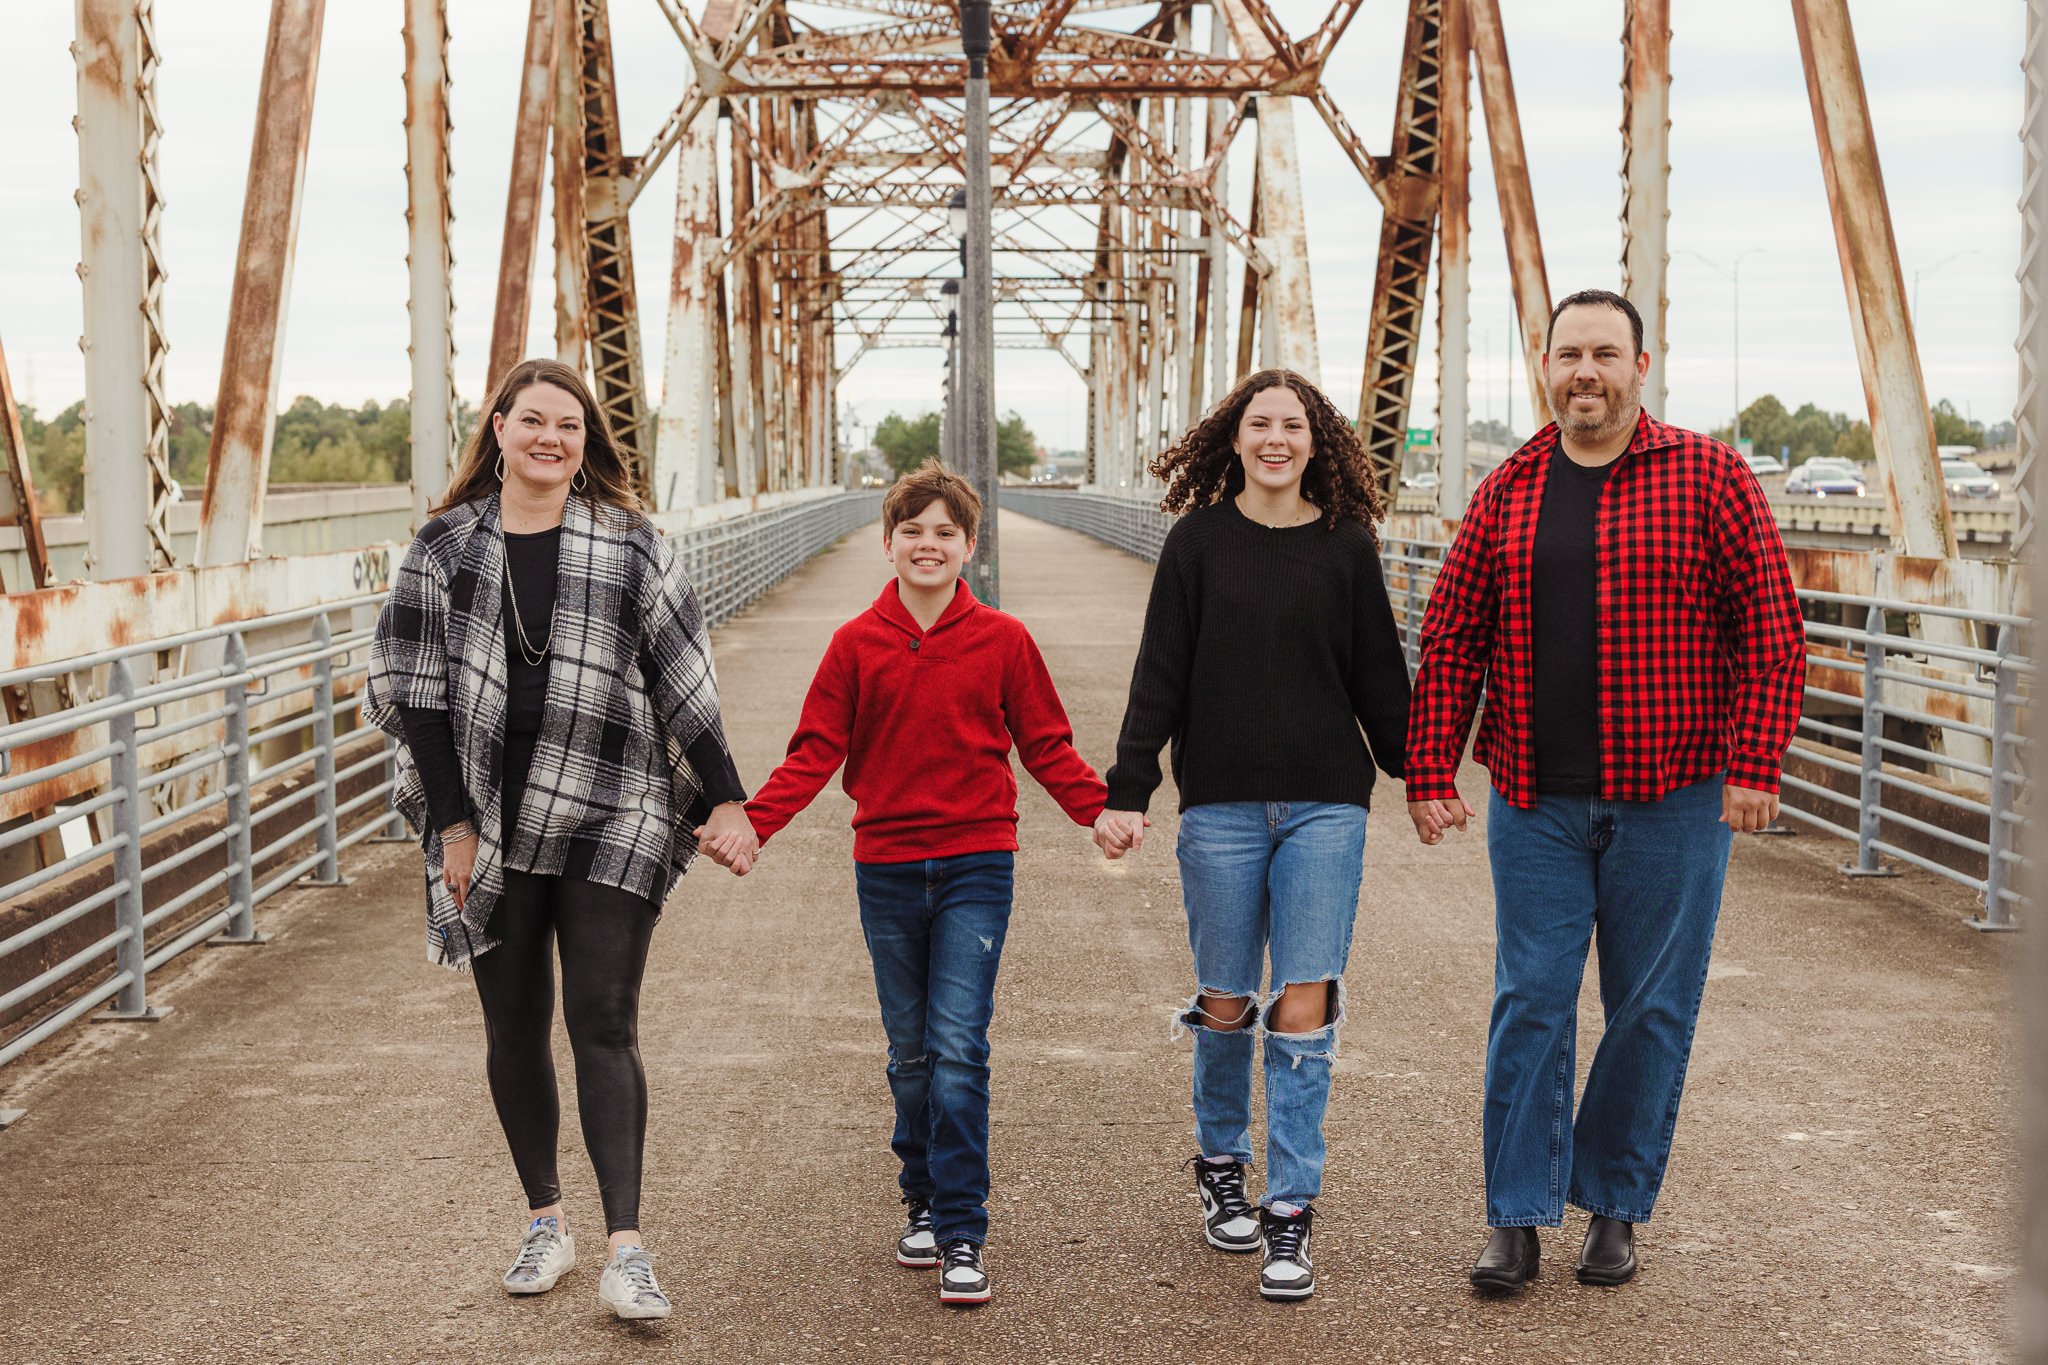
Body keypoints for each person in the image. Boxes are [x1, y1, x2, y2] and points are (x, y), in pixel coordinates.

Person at [1403, 289, 1805, 1293]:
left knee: (1647, 1009)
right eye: (1566, 353)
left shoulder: (1708, 476)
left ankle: (1613, 1208)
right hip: (1535, 799)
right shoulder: (1508, 489)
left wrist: (1755, 764)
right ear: (1544, 365)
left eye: (1603, 353)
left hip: (1672, 794)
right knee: (1528, 1003)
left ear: (1639, 364)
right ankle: (1515, 1217)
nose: (1584, 371)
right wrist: (1428, 767)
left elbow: (1771, 631)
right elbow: (1451, 636)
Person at [366, 358, 758, 1321]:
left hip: (612, 801)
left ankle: (628, 1245)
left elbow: (683, 680)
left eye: (570, 426)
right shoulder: (444, 547)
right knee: (513, 1025)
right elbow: (414, 692)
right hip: (487, 816)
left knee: (605, 1019)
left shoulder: (631, 544)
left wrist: (728, 799)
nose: (551, 438)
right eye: (533, 421)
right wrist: (453, 825)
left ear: (588, 443)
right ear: (496, 429)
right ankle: (546, 1219)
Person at [720, 460, 1106, 1307]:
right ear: (887, 541)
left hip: (977, 859)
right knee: (911, 1051)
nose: (928, 545)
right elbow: (816, 750)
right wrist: (756, 820)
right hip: (886, 865)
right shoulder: (854, 643)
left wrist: (1098, 811)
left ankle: (963, 1228)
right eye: (912, 531)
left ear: (970, 545)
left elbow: (1044, 743)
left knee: (961, 1045)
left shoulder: (1004, 640)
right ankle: (922, 1198)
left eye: (945, 533)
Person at [1095, 368, 1411, 1303]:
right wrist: (1129, 787)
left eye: (1295, 425)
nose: (1277, 438)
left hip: (1326, 803)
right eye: (1260, 423)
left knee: (1304, 997)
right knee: (1228, 998)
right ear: (1234, 438)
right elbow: (1160, 673)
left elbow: (1381, 682)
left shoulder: (1348, 547)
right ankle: (1222, 1164)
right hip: (1222, 806)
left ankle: (1289, 1210)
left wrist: (1425, 776)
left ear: (1319, 443)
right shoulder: (1196, 543)